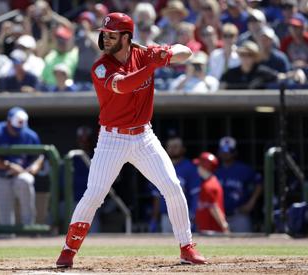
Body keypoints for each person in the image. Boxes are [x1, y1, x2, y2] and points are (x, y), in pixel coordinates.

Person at [56, 12, 206, 268]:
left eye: (112, 36)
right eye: (104, 35)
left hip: (144, 137)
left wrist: (164, 52)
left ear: (126, 37)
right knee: (94, 195)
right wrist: (153, 65)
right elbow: (122, 85)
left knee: (172, 185)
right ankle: (68, 250)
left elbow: (187, 53)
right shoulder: (101, 66)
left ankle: (187, 247)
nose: (105, 40)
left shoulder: (143, 53)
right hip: (111, 139)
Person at [0, 107, 44, 226]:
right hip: (2, 175)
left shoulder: (30, 135)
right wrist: (8, 166)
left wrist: (34, 167)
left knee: (26, 180)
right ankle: (7, 238)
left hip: (21, 175)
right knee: (5, 220)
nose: (16, 131)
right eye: (14, 127)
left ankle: (29, 228)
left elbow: (39, 156)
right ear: (8, 121)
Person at [149, 137, 201, 233]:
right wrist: (154, 219)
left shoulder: (190, 168)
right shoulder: (160, 167)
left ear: (183, 149)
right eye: (170, 147)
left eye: (176, 146)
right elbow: (156, 196)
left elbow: (196, 194)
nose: (172, 149)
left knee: (185, 244)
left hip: (184, 215)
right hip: (166, 216)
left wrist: (194, 215)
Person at [215, 136, 262, 232]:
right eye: (223, 150)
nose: (226, 153)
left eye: (229, 150)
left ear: (235, 152)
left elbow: (259, 183)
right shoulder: (215, 170)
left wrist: (251, 203)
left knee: (246, 243)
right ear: (219, 152)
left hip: (239, 214)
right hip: (218, 215)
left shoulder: (244, 169)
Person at [193, 152, 229, 234]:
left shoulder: (209, 185)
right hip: (208, 228)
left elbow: (214, 208)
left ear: (205, 167)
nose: (197, 168)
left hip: (211, 230)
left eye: (199, 165)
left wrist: (224, 226)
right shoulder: (210, 182)